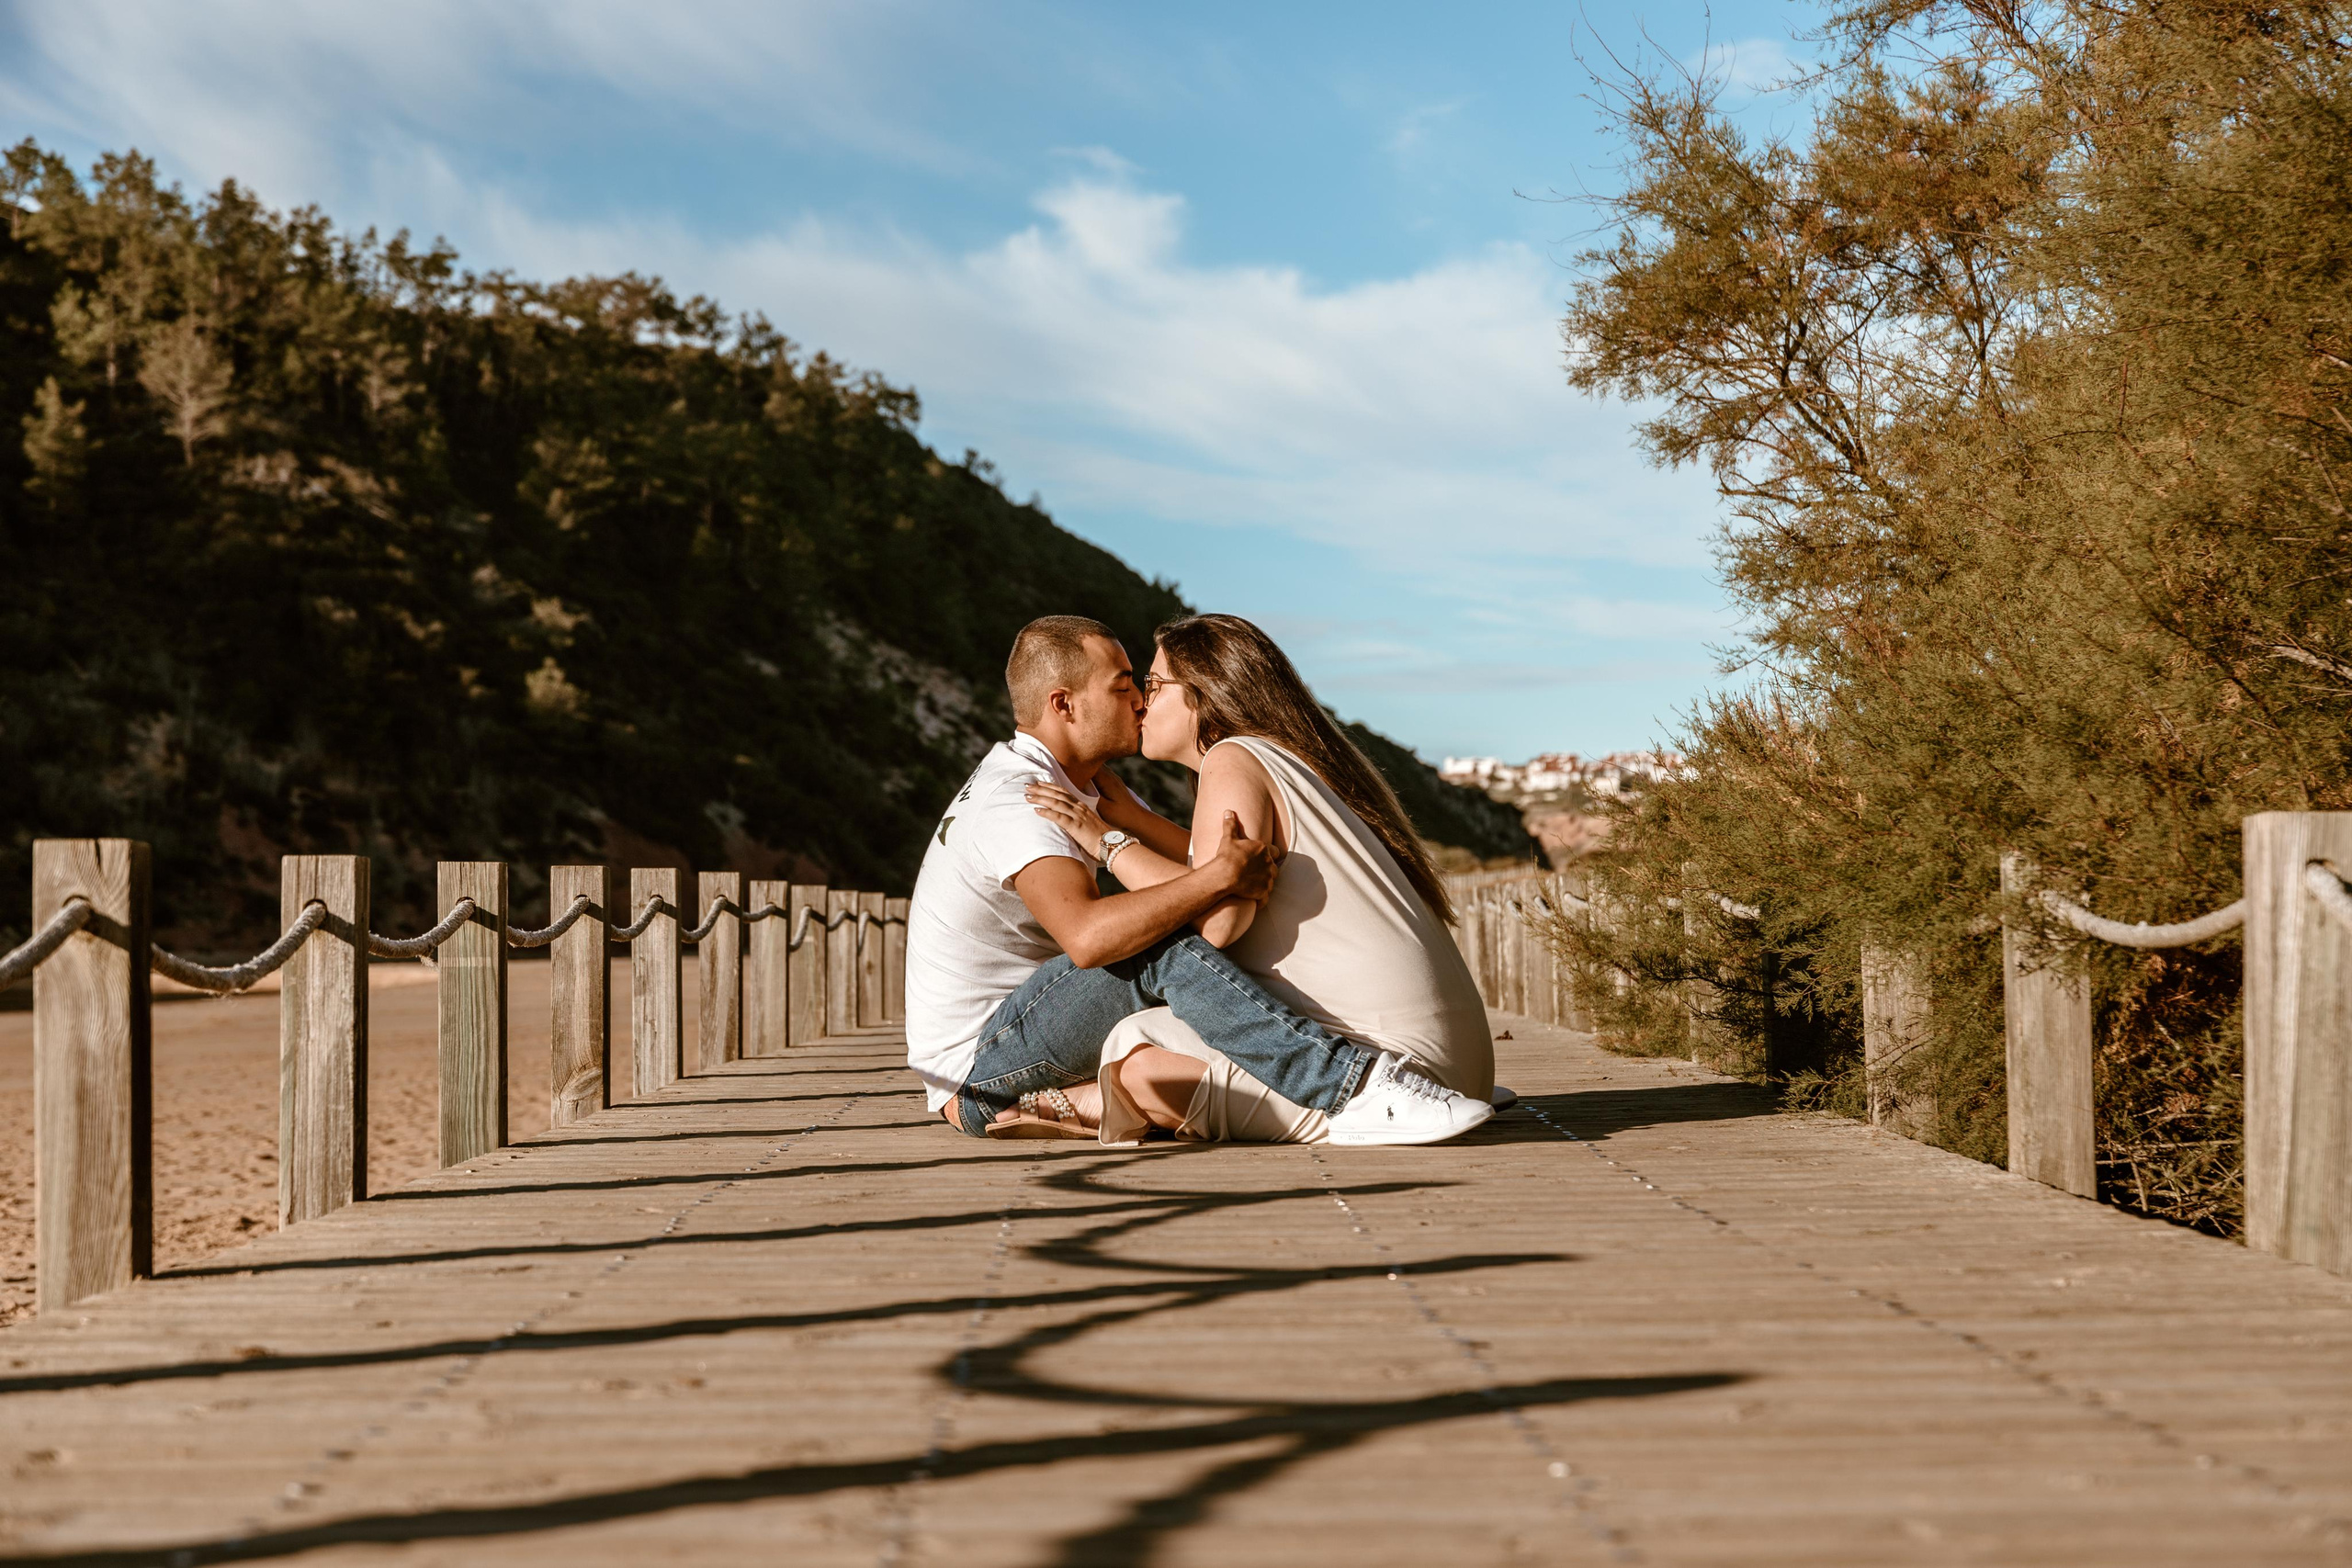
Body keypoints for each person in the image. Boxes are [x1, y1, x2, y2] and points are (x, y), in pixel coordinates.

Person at [902, 614, 1492, 1146]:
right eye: (1124, 684)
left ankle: (1371, 1078)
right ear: (1064, 704)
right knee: (1158, 947)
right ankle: (1350, 1087)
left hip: (1034, 1028)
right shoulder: (1024, 800)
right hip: (981, 1065)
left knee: (1147, 1017)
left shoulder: (1092, 790)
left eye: (1146, 685)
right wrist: (1215, 876)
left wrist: (1145, 834)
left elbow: (1196, 872)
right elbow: (1088, 937)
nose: (1137, 700)